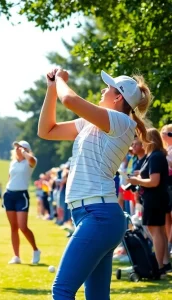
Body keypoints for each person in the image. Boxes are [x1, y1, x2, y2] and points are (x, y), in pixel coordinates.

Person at [38, 68, 151, 299]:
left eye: (107, 87)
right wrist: (51, 89)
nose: (102, 89)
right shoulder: (91, 123)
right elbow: (46, 130)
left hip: (98, 215)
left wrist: (60, 79)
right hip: (93, 215)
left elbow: (69, 99)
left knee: (62, 290)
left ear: (118, 97)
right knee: (97, 296)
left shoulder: (121, 122)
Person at [128, 128, 171, 275]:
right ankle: (164, 263)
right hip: (155, 198)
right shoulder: (154, 156)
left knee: (156, 231)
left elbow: (154, 181)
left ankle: (159, 265)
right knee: (159, 231)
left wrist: (136, 180)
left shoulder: (156, 156)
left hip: (154, 198)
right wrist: (141, 174)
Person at [3, 140, 41, 264]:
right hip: (9, 195)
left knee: (22, 227)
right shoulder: (13, 163)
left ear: (26, 149)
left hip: (21, 196)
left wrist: (24, 151)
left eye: (20, 147)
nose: (17, 149)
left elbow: (32, 160)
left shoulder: (29, 162)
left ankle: (35, 250)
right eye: (17, 148)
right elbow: (10, 178)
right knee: (13, 227)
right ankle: (16, 256)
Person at [161, 124, 172, 255]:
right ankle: (169, 246)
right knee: (167, 217)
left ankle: (170, 244)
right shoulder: (164, 149)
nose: (163, 134)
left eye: (167, 132)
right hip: (166, 185)